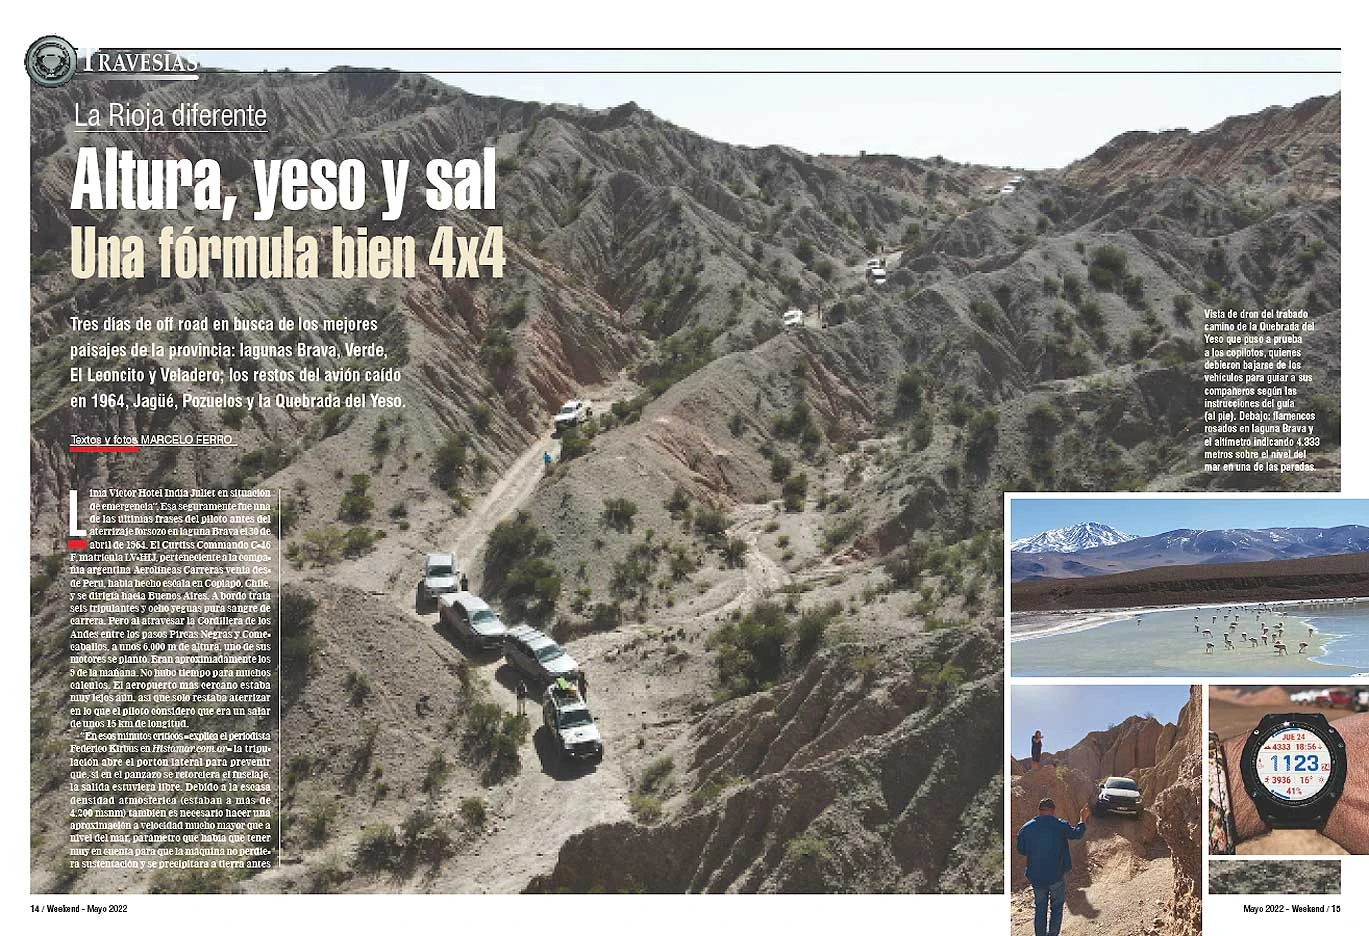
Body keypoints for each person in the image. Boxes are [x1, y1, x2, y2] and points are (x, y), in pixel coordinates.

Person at [1017, 798, 1088, 936]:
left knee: (1040, 909)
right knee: (1056, 908)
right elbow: (1077, 834)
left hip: (1036, 877)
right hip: (1056, 876)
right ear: (1053, 810)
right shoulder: (1060, 825)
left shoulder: (1026, 828)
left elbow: (1021, 850)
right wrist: (1082, 819)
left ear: (1039, 810)